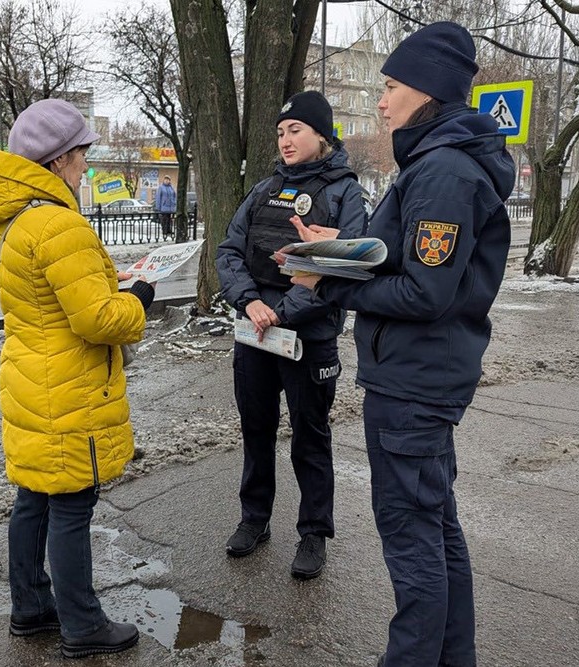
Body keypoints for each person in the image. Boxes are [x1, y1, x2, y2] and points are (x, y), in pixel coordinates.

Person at [287, 22, 515, 666]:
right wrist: (338, 248)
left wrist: (328, 280)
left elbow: (424, 293)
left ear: (427, 90)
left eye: (390, 87)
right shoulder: (437, 160)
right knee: (435, 529)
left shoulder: (443, 170)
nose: (381, 102)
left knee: (413, 542)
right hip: (421, 376)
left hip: (414, 383)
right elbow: (406, 259)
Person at [0, 98, 154, 659]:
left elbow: (48, 296)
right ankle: (83, 625)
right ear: (58, 161)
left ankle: (31, 607)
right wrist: (139, 299)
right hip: (70, 387)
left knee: (34, 498)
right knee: (73, 505)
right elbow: (97, 319)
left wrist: (103, 278)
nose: (85, 168)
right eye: (82, 156)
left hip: (32, 378)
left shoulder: (15, 220)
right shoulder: (59, 222)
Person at [215, 90, 369, 579]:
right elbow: (229, 251)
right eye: (281, 132)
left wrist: (282, 312)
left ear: (321, 135)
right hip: (256, 332)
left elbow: (342, 267)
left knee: (310, 437)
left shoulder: (345, 194)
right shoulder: (264, 190)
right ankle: (254, 519)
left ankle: (314, 533)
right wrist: (250, 302)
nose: (285, 139)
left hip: (308, 337)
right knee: (256, 430)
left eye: (295, 130)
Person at [155, 175, 177, 240]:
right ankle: (164, 231)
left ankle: (169, 230)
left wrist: (174, 204)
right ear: (164, 180)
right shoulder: (161, 187)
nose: (167, 181)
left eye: (168, 179)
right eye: (166, 179)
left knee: (170, 220)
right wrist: (158, 207)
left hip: (171, 208)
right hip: (164, 207)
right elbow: (158, 198)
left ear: (169, 180)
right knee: (164, 220)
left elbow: (174, 196)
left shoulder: (171, 188)